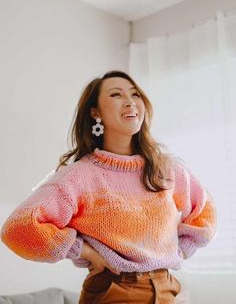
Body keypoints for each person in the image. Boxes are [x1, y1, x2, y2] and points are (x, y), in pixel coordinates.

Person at [1, 70, 217, 303]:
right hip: (115, 291)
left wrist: (182, 249)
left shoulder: (166, 170)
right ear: (96, 113)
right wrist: (81, 251)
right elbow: (19, 228)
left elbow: (205, 212)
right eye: (116, 94)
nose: (130, 101)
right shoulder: (80, 176)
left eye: (135, 94)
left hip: (168, 289)